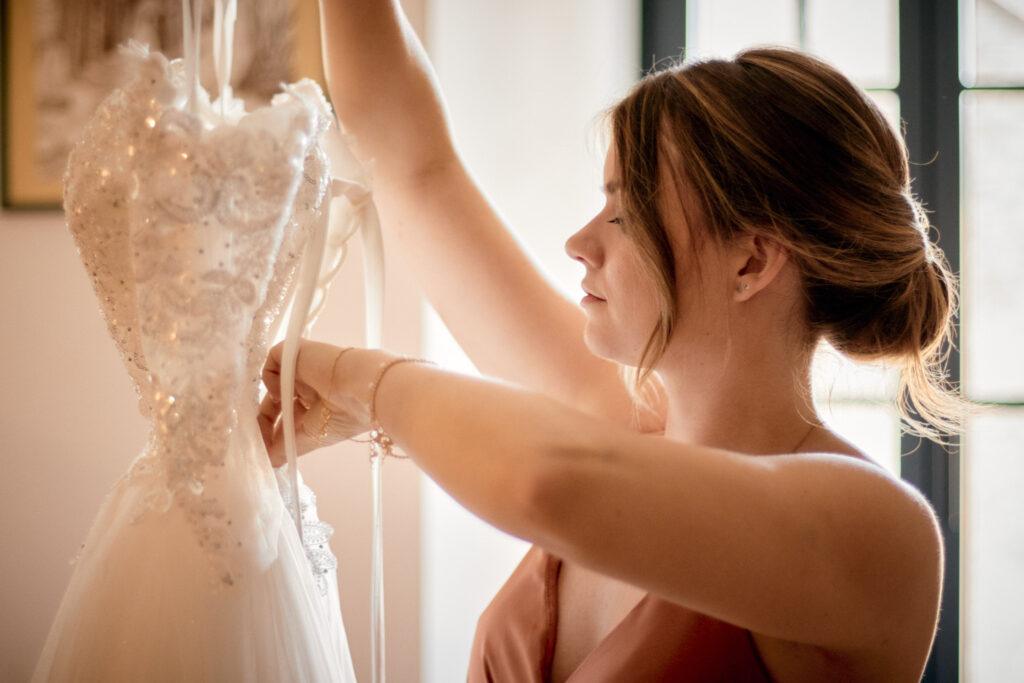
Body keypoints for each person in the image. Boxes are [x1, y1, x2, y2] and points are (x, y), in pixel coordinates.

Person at [259, 1, 961, 680]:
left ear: (751, 261)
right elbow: (412, 162)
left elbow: (547, 484)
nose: (578, 242)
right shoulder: (618, 423)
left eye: (624, 214)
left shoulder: (879, 530)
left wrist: (362, 380)